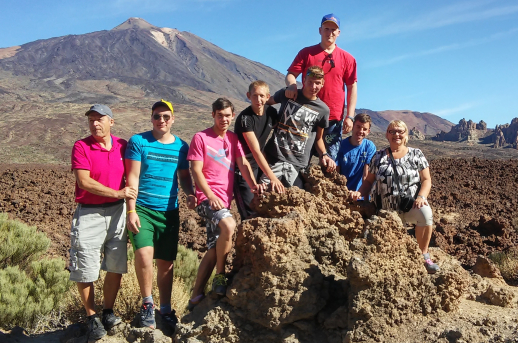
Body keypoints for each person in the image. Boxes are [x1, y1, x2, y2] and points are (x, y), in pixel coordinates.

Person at [187, 98, 266, 310]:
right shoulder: (201, 138)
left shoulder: (233, 139)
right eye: (219, 115)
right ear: (213, 114)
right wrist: (209, 195)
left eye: (227, 115)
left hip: (223, 203)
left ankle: (195, 296)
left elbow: (243, 163)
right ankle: (220, 277)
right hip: (207, 200)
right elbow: (196, 170)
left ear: (232, 116)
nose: (224, 119)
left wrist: (254, 185)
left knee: (214, 248)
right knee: (230, 226)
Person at [125, 99, 196, 330]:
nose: (162, 120)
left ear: (173, 119)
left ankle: (165, 309)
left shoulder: (181, 147)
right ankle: (147, 305)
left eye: (166, 116)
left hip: (169, 211)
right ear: (151, 118)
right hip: (143, 209)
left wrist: (190, 193)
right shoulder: (138, 142)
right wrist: (131, 209)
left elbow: (184, 177)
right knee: (144, 255)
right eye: (157, 116)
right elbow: (132, 177)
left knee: (166, 263)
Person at [70, 104, 137, 341]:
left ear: (112, 122)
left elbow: (133, 174)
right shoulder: (81, 146)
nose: (95, 124)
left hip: (118, 213)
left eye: (100, 119)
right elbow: (84, 182)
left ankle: (108, 311)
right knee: (85, 265)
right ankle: (91, 316)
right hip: (89, 213)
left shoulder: (123, 145)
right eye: (91, 120)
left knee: (116, 264)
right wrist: (119, 194)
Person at [351, 120, 440, 274]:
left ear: (406, 135)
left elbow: (426, 180)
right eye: (392, 131)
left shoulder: (416, 154)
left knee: (426, 214)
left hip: (410, 205)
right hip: (386, 210)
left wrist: (421, 197)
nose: (396, 134)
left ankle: (424, 255)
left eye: (400, 131)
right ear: (387, 134)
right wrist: (359, 193)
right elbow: (369, 181)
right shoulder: (378, 156)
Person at [285, 13, 357, 160]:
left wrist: (350, 116)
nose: (329, 33)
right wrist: (292, 85)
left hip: (333, 118)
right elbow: (291, 74)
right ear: (320, 30)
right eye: (326, 29)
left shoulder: (348, 58)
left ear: (338, 33)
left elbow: (352, 87)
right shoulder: (307, 53)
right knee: (299, 159)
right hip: (306, 114)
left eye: (333, 30)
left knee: (329, 161)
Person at [261, 65, 336, 188]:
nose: (313, 87)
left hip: (297, 163)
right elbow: (266, 104)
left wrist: (324, 155)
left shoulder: (323, 110)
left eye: (317, 83)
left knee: (294, 201)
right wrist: (272, 119)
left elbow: (318, 138)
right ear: (304, 80)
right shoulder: (288, 94)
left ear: (323, 83)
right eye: (310, 82)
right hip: (274, 156)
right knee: (263, 197)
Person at [234, 80, 285, 220]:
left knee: (263, 207)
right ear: (248, 95)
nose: (258, 99)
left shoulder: (271, 112)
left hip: (259, 167)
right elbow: (255, 150)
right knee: (249, 213)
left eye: (262, 96)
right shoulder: (245, 118)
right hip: (242, 167)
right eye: (255, 96)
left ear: (268, 97)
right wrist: (272, 178)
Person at [336, 113, 376, 193]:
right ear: (353, 126)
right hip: (342, 192)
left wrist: (363, 197)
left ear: (368, 131)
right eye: (358, 127)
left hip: (360, 193)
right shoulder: (340, 146)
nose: (361, 131)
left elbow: (366, 175)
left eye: (364, 129)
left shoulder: (369, 147)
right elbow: (336, 174)